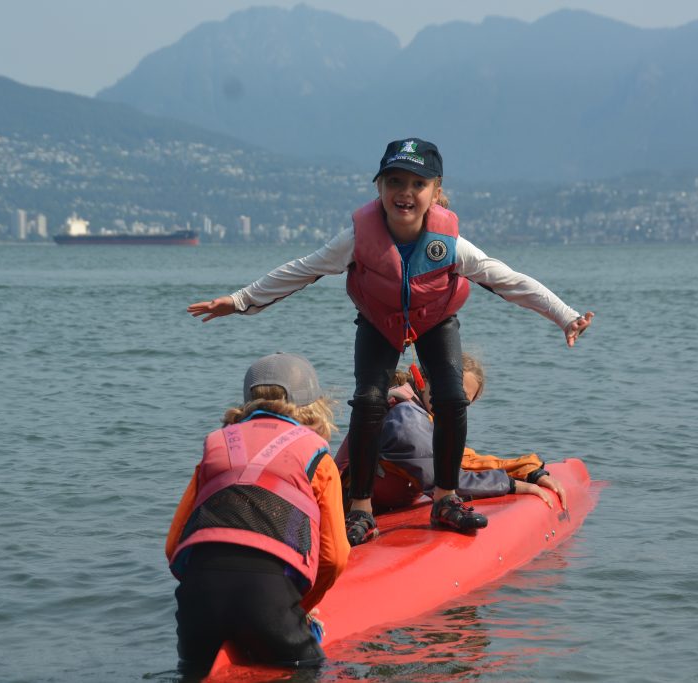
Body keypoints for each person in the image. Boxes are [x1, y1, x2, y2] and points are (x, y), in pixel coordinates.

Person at [188, 137, 593, 547]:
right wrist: (239, 301)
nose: (405, 192)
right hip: (379, 321)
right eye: (394, 181)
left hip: (435, 320)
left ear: (436, 191)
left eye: (418, 184)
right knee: (368, 401)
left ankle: (446, 499)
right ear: (379, 188)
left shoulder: (450, 245)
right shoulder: (355, 239)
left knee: (451, 398)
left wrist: (565, 316)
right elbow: (300, 270)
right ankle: (361, 511)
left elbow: (509, 280)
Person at [165, 352, 350, 673]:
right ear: (316, 408)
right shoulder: (316, 454)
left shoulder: (217, 443)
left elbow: (174, 546)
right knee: (310, 671)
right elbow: (334, 557)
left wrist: (215, 592)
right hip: (269, 598)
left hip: (197, 599)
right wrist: (300, 608)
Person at [336, 354, 568, 513]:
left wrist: (528, 470)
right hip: (339, 516)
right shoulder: (406, 419)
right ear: (423, 379)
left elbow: (463, 460)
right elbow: (445, 479)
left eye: (463, 402)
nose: (453, 404)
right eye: (450, 391)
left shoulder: (420, 410)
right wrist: (514, 485)